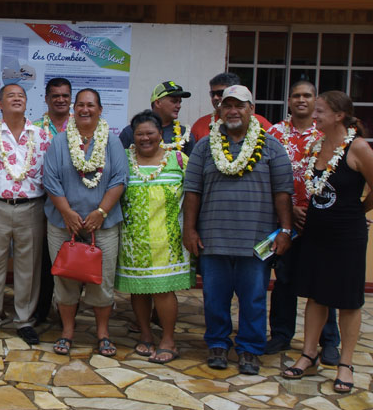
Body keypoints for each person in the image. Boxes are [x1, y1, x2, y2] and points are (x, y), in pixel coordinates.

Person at [183, 85, 293, 375]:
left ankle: (250, 349)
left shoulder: (271, 146)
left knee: (254, 298)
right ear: (219, 111)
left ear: (251, 110)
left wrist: (285, 230)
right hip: (213, 239)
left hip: (256, 241)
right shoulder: (206, 146)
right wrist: (190, 230)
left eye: (240, 106)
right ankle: (217, 343)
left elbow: (283, 192)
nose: (233, 111)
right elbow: (192, 191)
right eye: (227, 106)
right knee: (215, 298)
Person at [283, 92, 373, 393]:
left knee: (348, 299)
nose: (314, 115)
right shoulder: (317, 145)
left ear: (338, 115)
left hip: (347, 234)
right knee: (315, 295)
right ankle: (309, 354)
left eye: (320, 111)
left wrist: (359, 210)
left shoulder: (358, 147)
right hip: (316, 233)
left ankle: (345, 363)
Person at [43, 88, 128, 357]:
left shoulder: (112, 142)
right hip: (62, 223)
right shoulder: (59, 142)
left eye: (91, 105)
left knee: (101, 280)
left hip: (102, 224)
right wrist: (67, 212)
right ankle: (67, 332)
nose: (85, 109)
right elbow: (51, 179)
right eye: (80, 105)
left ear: (100, 110)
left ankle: (102, 334)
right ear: (73, 109)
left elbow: (119, 179)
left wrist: (100, 212)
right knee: (65, 279)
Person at [0, 83, 50, 345]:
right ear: (0, 105)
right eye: (10, 96)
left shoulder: (42, 136)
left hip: (31, 208)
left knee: (28, 268)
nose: (17, 99)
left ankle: (24, 320)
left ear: (27, 103)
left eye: (21, 96)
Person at [265, 80, 340, 360]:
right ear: (288, 101)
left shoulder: (327, 133)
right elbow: (266, 175)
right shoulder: (274, 133)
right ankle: (281, 335)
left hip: (319, 218)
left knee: (323, 281)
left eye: (307, 95)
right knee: (284, 279)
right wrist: (288, 210)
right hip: (285, 219)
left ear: (315, 100)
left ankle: (328, 341)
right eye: (296, 95)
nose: (301, 100)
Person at [116, 110, 195, 363]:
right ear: (133, 137)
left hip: (168, 239)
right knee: (138, 290)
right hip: (133, 239)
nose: (145, 138)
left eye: (150, 133)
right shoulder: (123, 160)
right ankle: (146, 336)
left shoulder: (179, 160)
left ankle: (168, 340)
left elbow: (194, 196)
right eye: (140, 134)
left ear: (160, 135)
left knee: (163, 291)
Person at [32, 77, 72, 325]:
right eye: (55, 95)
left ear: (71, 99)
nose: (60, 100)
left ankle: (69, 311)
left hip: (75, 205)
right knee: (43, 260)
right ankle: (41, 309)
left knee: (73, 258)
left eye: (65, 96)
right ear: (46, 99)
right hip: (41, 203)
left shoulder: (82, 127)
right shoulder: (35, 128)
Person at [118, 81, 196, 156]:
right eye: (174, 101)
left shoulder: (185, 135)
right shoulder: (131, 131)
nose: (179, 106)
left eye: (179, 102)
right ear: (158, 103)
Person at [191, 72, 270, 142]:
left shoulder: (261, 123)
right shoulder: (200, 124)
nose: (215, 97)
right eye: (212, 94)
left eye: (220, 93)